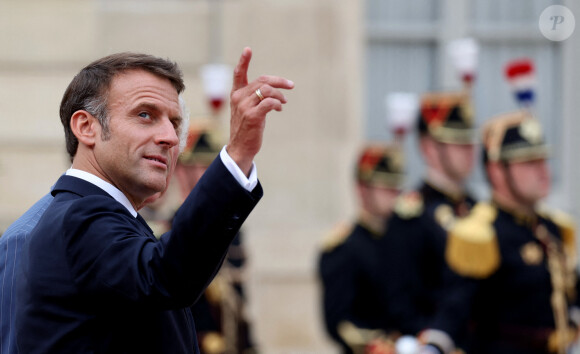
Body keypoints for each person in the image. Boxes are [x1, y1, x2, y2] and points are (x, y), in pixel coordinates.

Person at [13, 48, 293, 353]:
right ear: (86, 127)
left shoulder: (99, 216)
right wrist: (237, 154)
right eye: (145, 115)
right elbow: (165, 276)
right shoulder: (81, 214)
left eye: (174, 122)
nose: (171, 137)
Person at [422, 111, 579, 354]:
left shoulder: (552, 227)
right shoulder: (482, 232)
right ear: (497, 170)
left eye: (543, 160)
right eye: (529, 162)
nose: (543, 171)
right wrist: (433, 346)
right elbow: (455, 307)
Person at [377, 91, 478, 338]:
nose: (468, 150)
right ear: (428, 147)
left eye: (469, 140)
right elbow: (401, 307)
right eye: (456, 142)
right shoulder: (410, 216)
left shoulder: (477, 209)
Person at [174, 122, 257, 354]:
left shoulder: (231, 231)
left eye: (214, 166)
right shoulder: (169, 232)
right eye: (202, 166)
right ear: (181, 172)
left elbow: (237, 304)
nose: (211, 175)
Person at [318, 144, 405, 353]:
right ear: (362, 189)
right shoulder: (344, 248)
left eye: (395, 188)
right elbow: (338, 321)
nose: (393, 195)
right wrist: (374, 344)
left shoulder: (406, 238)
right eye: (385, 187)